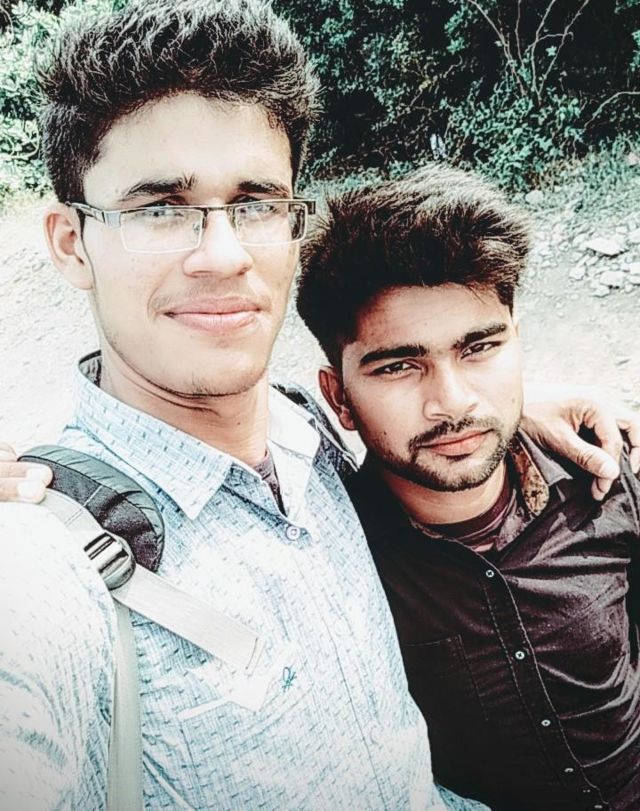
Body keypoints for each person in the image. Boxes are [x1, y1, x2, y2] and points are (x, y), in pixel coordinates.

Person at [0, 1, 637, 809]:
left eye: (256, 202)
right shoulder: (40, 558)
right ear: (70, 242)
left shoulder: (308, 429)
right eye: (159, 208)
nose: (223, 255)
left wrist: (500, 413)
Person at [295, 164, 640, 811]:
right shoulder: (336, 560)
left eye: (478, 348)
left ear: (517, 344)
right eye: (399, 365)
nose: (451, 402)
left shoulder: (603, 472)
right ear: (338, 396)